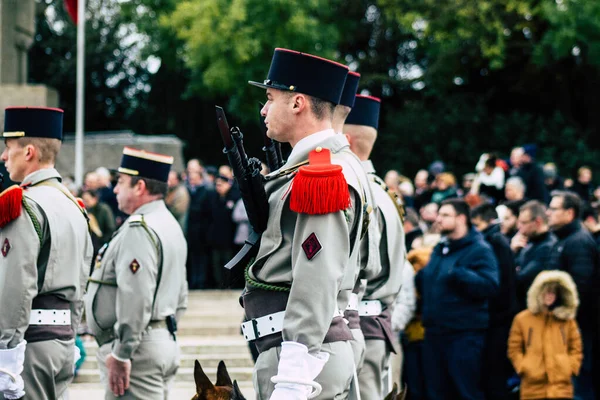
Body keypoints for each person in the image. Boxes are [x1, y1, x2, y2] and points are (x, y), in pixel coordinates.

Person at [242, 48, 368, 399]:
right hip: (311, 346)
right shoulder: (332, 164)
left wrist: (296, 371)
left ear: (297, 103)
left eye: (270, 98)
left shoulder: (321, 175)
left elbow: (316, 273)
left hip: (303, 355)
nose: (264, 109)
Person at [0, 107, 93, 399]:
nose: (3, 156)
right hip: (63, 341)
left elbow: (14, 287)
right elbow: (83, 280)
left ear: (29, 152)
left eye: (8, 147)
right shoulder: (73, 206)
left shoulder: (24, 204)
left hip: (29, 345)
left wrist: (5, 357)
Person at [85, 147, 188, 399]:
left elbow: (136, 296)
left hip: (138, 350)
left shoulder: (139, 228)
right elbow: (181, 296)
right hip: (158, 338)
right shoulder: (168, 223)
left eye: (120, 182)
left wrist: (122, 352)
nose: (116, 189)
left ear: (140, 187)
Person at [344, 94, 406, 399]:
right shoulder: (383, 191)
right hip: (376, 320)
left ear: (345, 138)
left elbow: (362, 267)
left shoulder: (361, 190)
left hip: (362, 323)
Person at [415, 198, 499, 400]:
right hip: (435, 333)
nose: (439, 219)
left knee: (464, 391)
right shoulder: (441, 248)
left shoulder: (479, 249)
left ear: (461, 218)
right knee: (436, 393)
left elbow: (490, 285)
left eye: (445, 215)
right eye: (439, 214)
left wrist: (461, 274)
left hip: (463, 336)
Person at [546, 191, 598, 400]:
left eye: (554, 208)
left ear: (569, 213)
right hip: (565, 323)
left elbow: (580, 289)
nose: (548, 212)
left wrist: (558, 307)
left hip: (577, 327)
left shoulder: (578, 242)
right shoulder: (564, 238)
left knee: (578, 381)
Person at [508, 270, 582, 400]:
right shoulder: (522, 319)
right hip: (532, 386)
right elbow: (514, 348)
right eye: (546, 291)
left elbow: (576, 348)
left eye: (553, 292)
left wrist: (570, 367)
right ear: (538, 292)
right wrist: (524, 366)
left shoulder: (567, 321)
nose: (549, 296)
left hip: (561, 387)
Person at [470, 203, 518, 400]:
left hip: (498, 319)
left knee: (494, 374)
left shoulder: (495, 242)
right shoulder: (493, 240)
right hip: (497, 317)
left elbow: (501, 285)